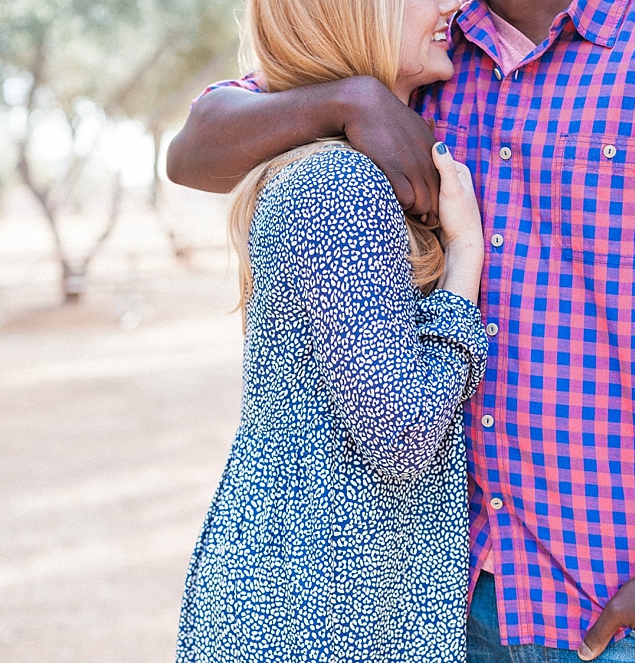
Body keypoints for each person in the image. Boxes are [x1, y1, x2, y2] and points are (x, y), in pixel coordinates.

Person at [169, 0, 635, 661]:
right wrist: (351, 99)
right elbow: (195, 146)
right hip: (438, 610)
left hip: (613, 604)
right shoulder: (424, 55)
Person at [175, 0, 491, 660]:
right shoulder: (339, 184)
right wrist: (464, 258)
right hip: (320, 602)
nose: (452, 5)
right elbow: (403, 435)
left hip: (323, 585)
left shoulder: (333, 167)